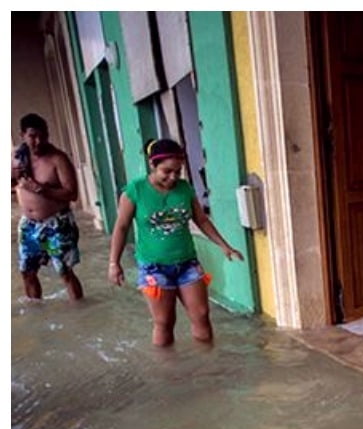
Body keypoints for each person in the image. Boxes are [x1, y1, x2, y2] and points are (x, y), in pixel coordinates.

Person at [108, 139, 244, 347]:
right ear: (153, 165)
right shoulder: (135, 190)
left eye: (178, 171)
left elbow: (202, 220)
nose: (173, 177)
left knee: (201, 315)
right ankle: (169, 373)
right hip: (154, 267)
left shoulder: (184, 189)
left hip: (187, 263)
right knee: (164, 322)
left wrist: (224, 246)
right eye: (167, 171)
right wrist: (114, 263)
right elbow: (121, 227)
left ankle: (209, 369)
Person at [14, 113, 85, 302]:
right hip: (29, 226)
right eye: (32, 136)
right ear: (22, 135)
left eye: (42, 135)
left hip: (56, 224)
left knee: (64, 271)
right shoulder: (18, 158)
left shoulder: (58, 159)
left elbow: (72, 194)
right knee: (27, 272)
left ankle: (79, 311)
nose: (38, 141)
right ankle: (37, 311)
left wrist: (40, 189)